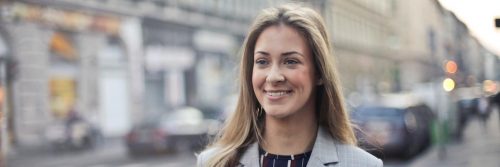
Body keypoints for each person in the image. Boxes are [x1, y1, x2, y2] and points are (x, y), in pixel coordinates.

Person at [197, 4, 382, 167]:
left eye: (291, 61)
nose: (273, 76)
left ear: (319, 73)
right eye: (262, 61)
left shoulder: (364, 165)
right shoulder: (212, 163)